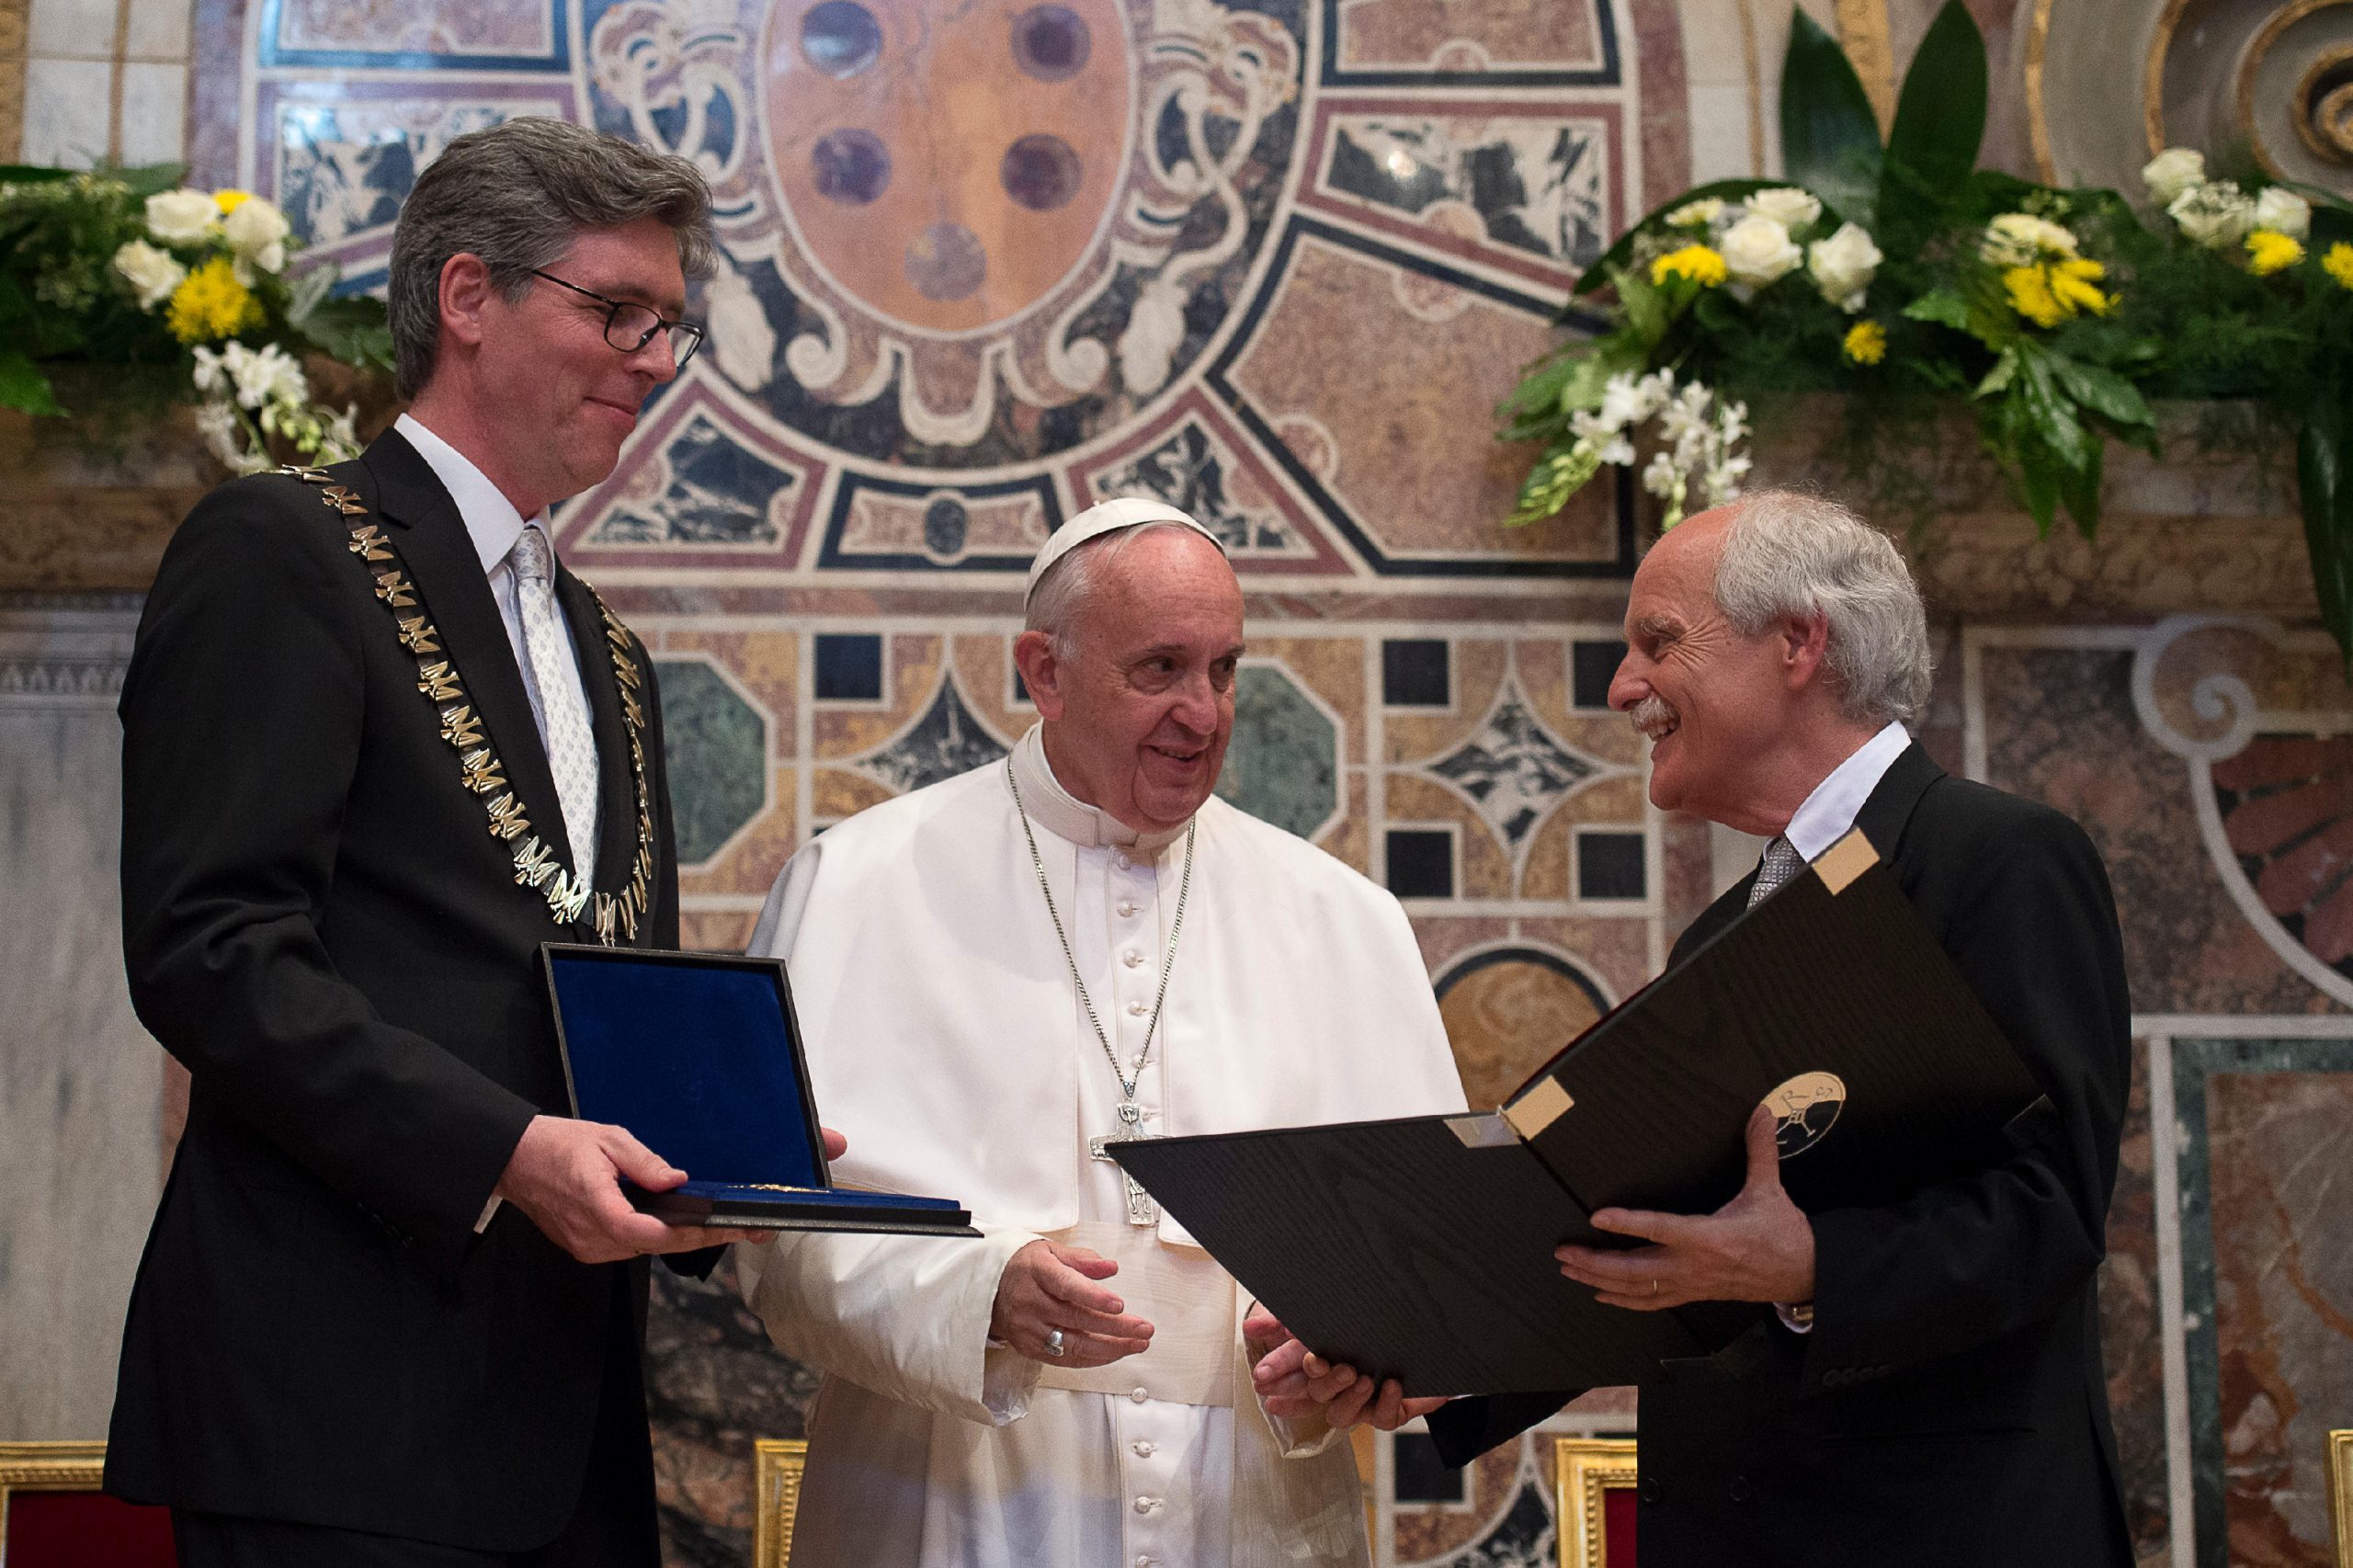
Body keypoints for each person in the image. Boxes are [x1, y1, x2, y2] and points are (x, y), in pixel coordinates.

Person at [105, 118, 833, 1567]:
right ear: (465, 297)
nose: (649, 358)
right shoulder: (282, 547)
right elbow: (211, 950)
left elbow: (580, 990)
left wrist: (705, 1157)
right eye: (614, 310)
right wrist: (505, 1149)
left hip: (565, 1428)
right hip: (329, 1404)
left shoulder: (608, 653)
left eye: (667, 325)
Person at [1259, 491, 2135, 1566]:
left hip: (1943, 1523)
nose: (1624, 686)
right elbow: (1653, 1247)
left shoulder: (1997, 855)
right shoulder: (1726, 931)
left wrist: (1809, 1262)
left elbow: (2050, 1214)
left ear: (1798, 642)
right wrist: (1429, 1346)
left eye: (1657, 642)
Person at [734, 497, 1469, 1568]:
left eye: (1224, 670)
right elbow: (773, 1244)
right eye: (1160, 668)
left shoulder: (1341, 917)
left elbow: (1429, 1254)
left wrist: (1357, 1346)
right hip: (952, 1503)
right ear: (1045, 670)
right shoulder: (857, 882)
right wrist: (980, 1295)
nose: (1203, 712)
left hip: (1253, 1514)